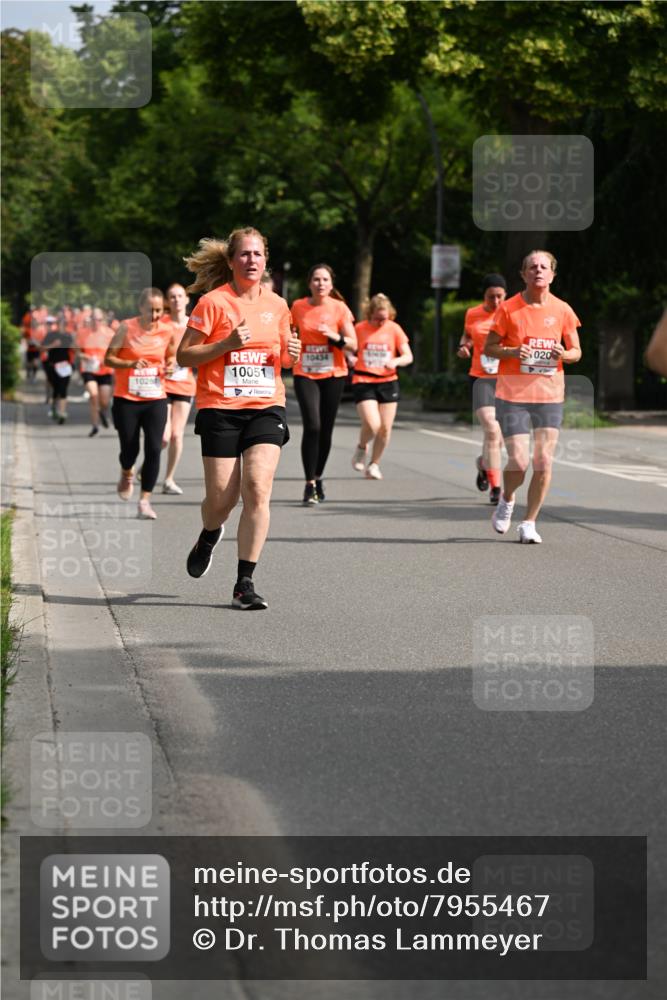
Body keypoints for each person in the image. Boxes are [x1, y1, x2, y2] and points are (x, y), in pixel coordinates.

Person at [177, 228, 301, 610]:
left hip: (266, 405)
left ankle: (244, 583)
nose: (252, 260)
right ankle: (209, 533)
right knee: (221, 500)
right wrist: (226, 344)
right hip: (220, 407)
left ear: (266, 261)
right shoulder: (212, 303)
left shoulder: (279, 305)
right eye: (244, 254)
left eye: (258, 254)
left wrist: (293, 355)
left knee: (257, 488)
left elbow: (284, 361)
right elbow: (184, 356)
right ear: (231, 261)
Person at [483, 250, 582, 543]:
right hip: (512, 393)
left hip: (549, 394)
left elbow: (577, 351)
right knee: (519, 459)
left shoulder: (563, 309)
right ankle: (508, 499)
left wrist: (565, 354)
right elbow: (489, 347)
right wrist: (512, 352)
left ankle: (529, 522)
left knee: (543, 461)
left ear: (552, 274)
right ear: (523, 274)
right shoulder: (508, 309)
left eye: (543, 267)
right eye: (532, 267)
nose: (538, 271)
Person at [104, 288, 177, 520]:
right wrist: (130, 364)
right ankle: (127, 471)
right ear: (140, 308)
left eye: (159, 310)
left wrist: (171, 366)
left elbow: (172, 357)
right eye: (151, 310)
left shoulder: (167, 330)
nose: (155, 315)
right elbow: (108, 358)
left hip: (156, 397)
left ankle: (145, 500)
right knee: (129, 448)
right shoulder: (126, 327)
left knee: (154, 449)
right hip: (127, 398)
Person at [290, 264, 357, 504]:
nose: (320, 283)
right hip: (305, 372)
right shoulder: (298, 306)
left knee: (326, 429)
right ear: (309, 283)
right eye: (316, 279)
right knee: (313, 425)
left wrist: (333, 336)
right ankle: (309, 484)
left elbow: (353, 344)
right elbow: (288, 332)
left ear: (331, 284)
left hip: (333, 374)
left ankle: (318, 477)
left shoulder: (339, 308)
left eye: (325, 280)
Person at [350, 293, 413, 479]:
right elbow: (348, 348)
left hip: (388, 382)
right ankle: (362, 447)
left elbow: (408, 356)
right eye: (377, 318)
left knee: (385, 428)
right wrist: (350, 357)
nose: (380, 322)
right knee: (372, 423)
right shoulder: (360, 328)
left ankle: (374, 464)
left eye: (384, 319)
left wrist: (396, 361)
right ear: (370, 314)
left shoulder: (394, 329)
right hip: (364, 380)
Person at [457, 274, 507, 504]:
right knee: (492, 430)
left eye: (499, 296)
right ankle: (496, 488)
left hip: (508, 380)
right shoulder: (473, 313)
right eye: (491, 297)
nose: (495, 301)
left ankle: (482, 464)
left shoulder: (513, 314)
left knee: (500, 438)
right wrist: (464, 346)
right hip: (481, 378)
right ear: (483, 295)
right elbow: (467, 335)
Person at [161, 283, 196, 495]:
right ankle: (149, 463)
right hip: (162, 384)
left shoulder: (194, 324)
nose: (176, 300)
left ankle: (168, 479)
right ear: (167, 301)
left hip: (184, 384)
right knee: (163, 437)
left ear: (186, 299)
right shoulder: (161, 324)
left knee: (176, 435)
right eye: (172, 296)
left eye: (179, 296)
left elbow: (202, 351)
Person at [77, 307, 115, 437]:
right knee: (93, 395)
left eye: (98, 319)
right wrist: (85, 357)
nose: (95, 322)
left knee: (104, 401)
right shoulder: (82, 333)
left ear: (103, 320)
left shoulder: (109, 333)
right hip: (88, 369)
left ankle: (103, 412)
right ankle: (95, 426)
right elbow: (78, 351)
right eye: (93, 319)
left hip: (105, 370)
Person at [41, 314, 74, 424]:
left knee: (63, 389)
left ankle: (62, 413)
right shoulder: (51, 335)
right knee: (56, 390)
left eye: (64, 324)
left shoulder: (68, 336)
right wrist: (53, 345)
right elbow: (42, 348)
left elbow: (74, 349)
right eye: (60, 323)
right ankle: (54, 407)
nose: (61, 326)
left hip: (65, 366)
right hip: (52, 366)